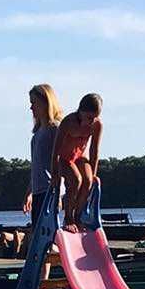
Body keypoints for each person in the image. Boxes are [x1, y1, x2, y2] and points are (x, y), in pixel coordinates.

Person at [13, 82, 64, 289]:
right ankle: (41, 288)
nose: (31, 107)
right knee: (39, 241)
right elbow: (36, 166)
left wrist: (60, 192)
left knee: (45, 240)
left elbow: (61, 164)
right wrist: (28, 192)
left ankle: (48, 284)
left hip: (51, 192)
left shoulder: (54, 129)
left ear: (45, 102)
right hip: (38, 191)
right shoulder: (38, 132)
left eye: (34, 103)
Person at [51, 93, 103, 227]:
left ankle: (78, 216)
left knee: (88, 180)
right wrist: (55, 173)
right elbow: (55, 151)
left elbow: (94, 151)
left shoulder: (97, 125)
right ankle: (68, 217)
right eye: (89, 117)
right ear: (81, 111)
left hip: (80, 157)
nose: (91, 121)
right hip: (64, 158)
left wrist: (94, 173)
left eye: (95, 117)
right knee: (76, 180)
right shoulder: (68, 122)